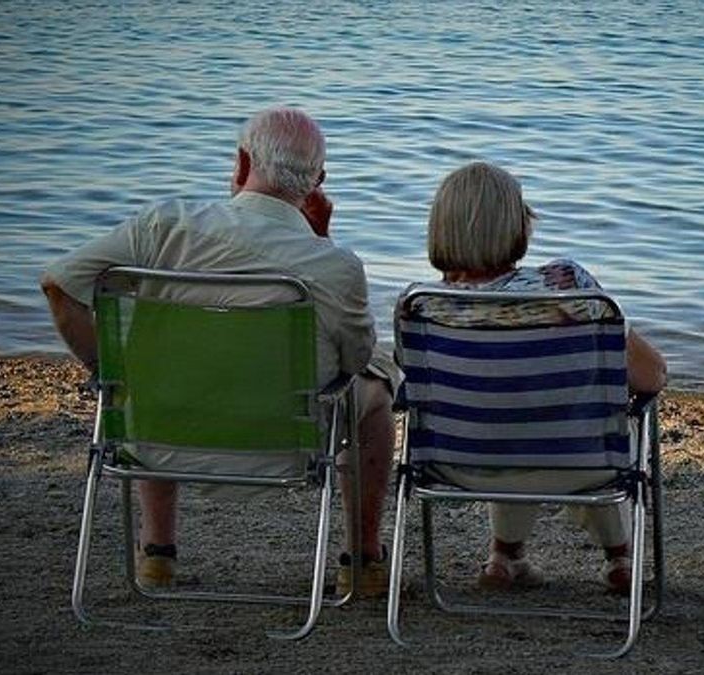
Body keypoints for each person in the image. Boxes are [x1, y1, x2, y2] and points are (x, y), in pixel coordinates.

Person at [40, 106, 397, 598]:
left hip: (162, 437)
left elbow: (59, 286)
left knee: (155, 367)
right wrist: (321, 242)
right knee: (377, 386)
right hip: (284, 449)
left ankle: (157, 556)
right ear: (318, 181)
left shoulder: (163, 226)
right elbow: (353, 360)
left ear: (242, 161)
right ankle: (362, 560)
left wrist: (113, 375)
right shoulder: (334, 265)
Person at [409, 161, 667, 595]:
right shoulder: (569, 286)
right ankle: (621, 557)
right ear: (515, 224)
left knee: (503, 411)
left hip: (457, 465)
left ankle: (503, 559)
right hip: (580, 464)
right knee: (579, 416)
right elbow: (651, 377)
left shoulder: (419, 306)